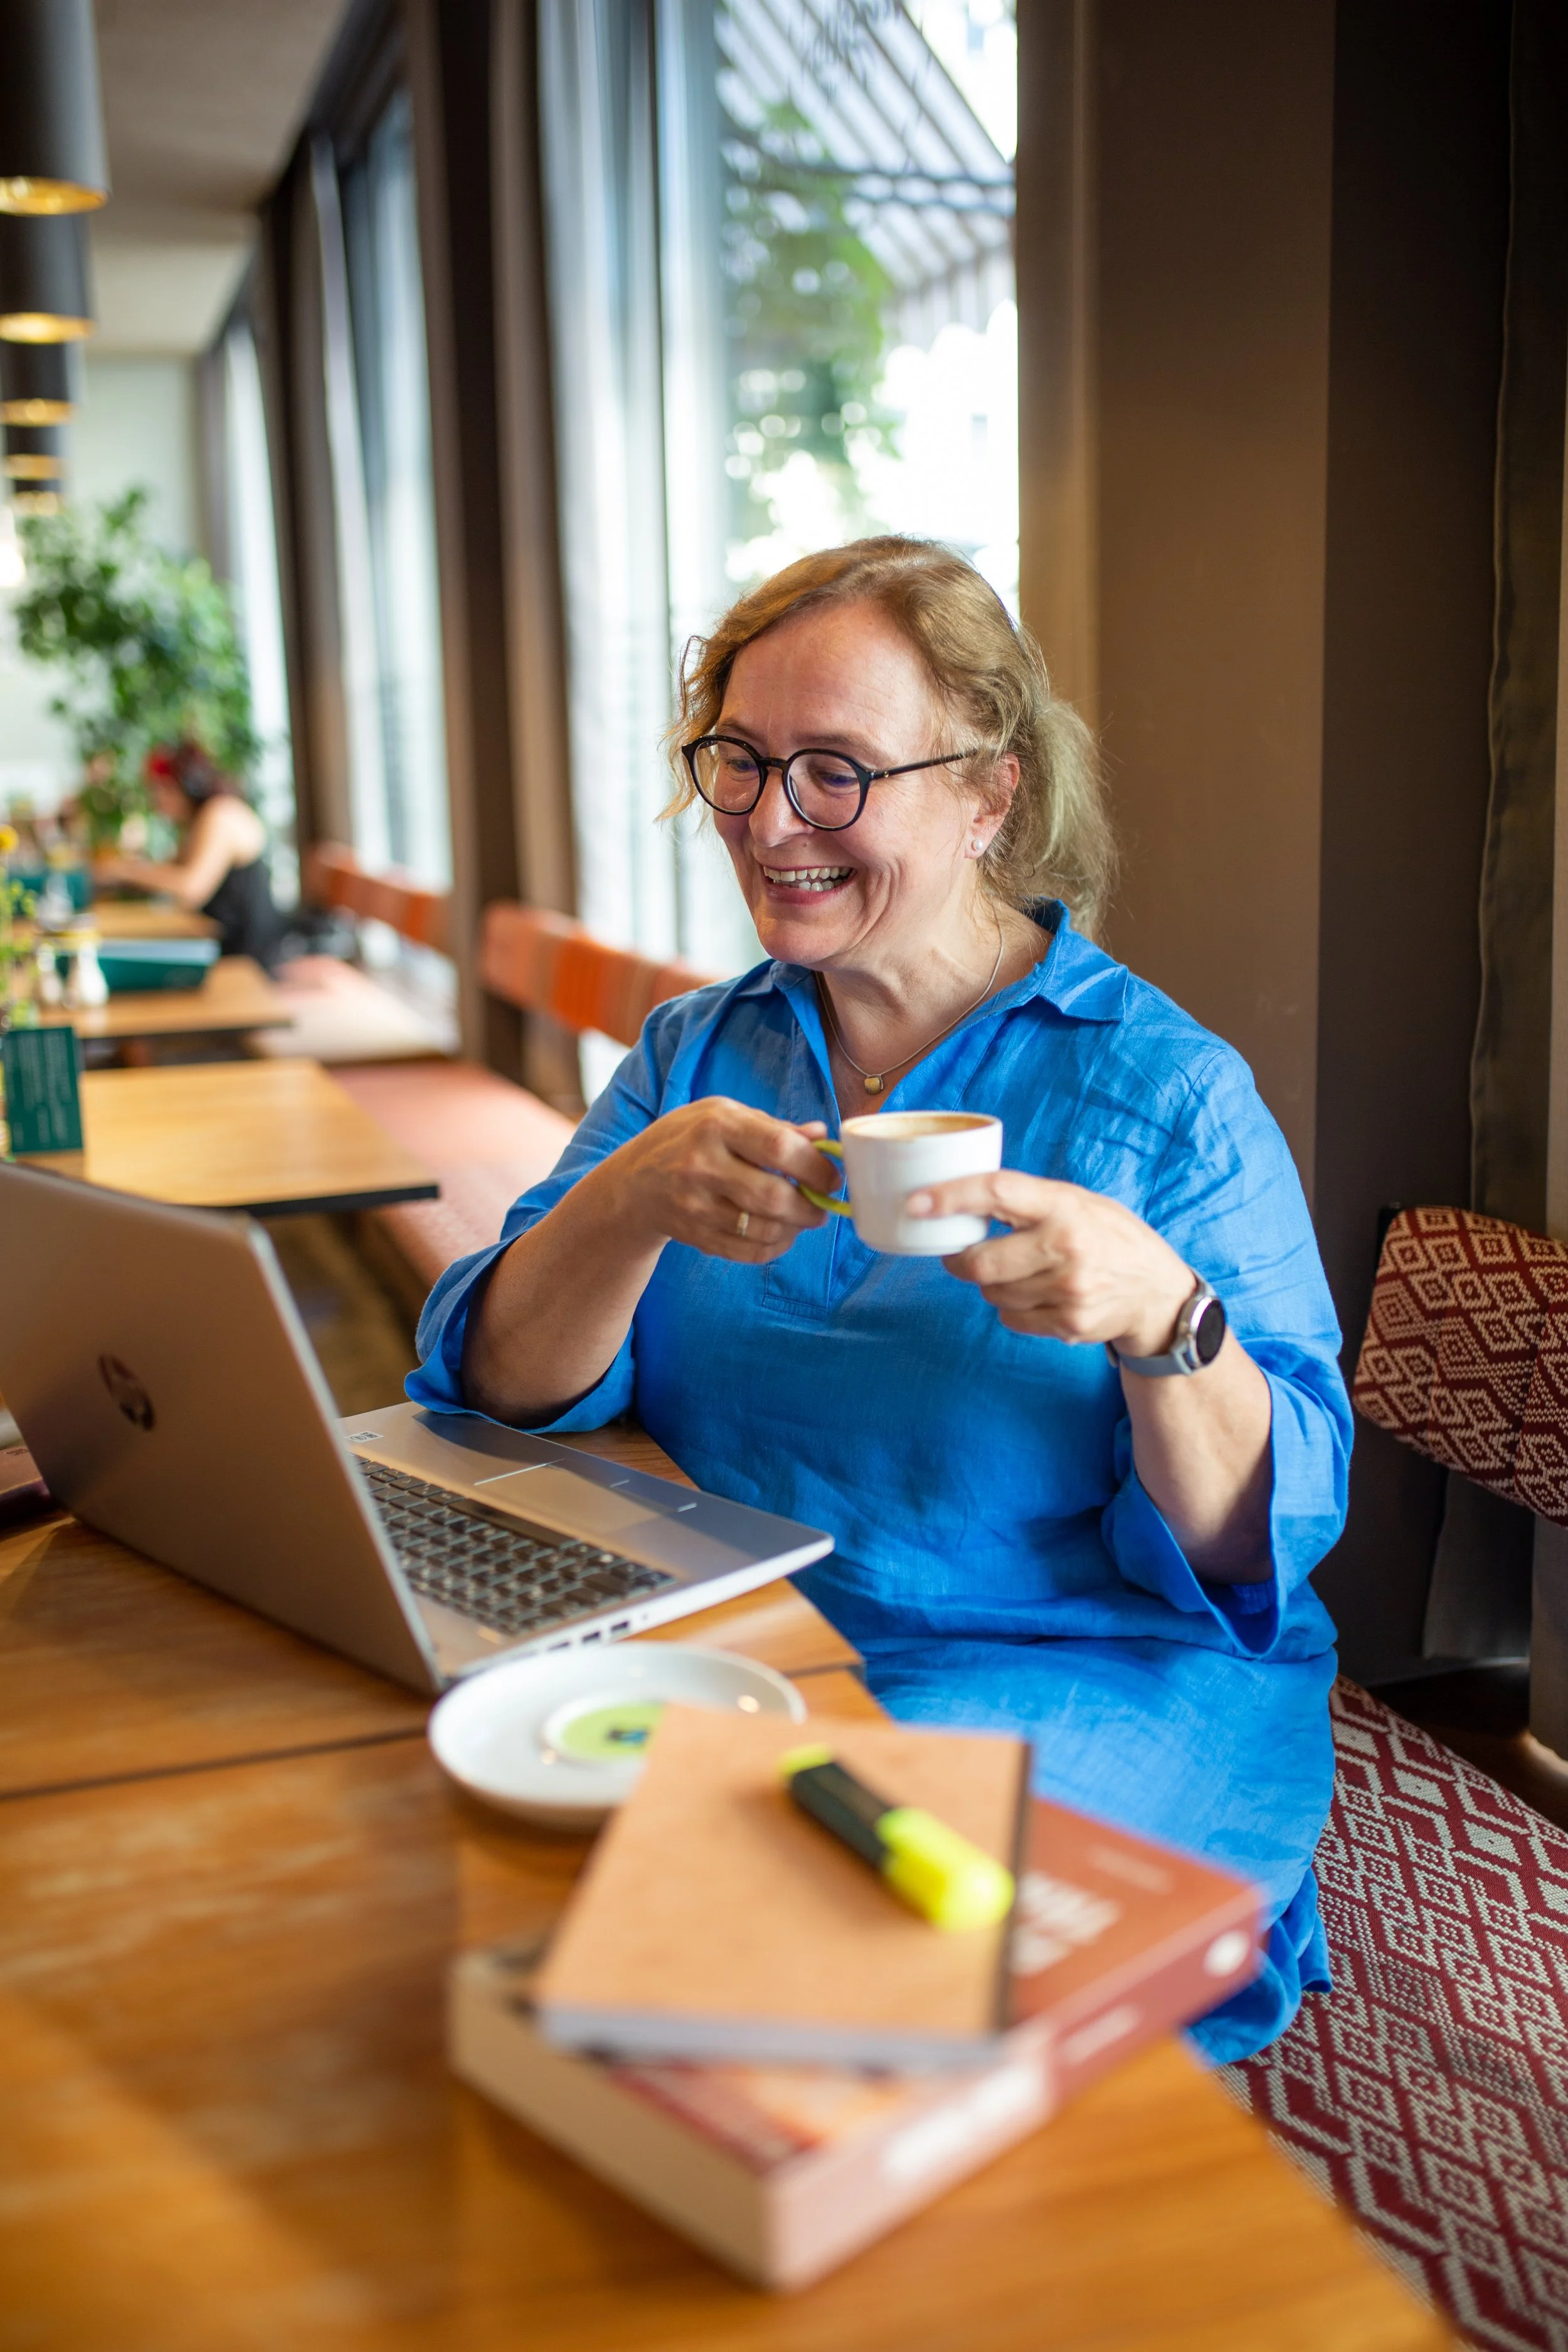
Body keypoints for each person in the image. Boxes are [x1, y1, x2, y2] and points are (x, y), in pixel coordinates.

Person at [409, 537, 1351, 2063]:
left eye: (837, 769)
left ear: (990, 793)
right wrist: (632, 1194)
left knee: (771, 1968)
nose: (773, 822)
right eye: (741, 760)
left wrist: (1167, 1319)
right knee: (470, 1888)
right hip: (748, 1652)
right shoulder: (692, 1055)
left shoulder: (1169, 1096)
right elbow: (494, 1385)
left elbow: (1260, 1544)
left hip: (1060, 1675)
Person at [93, 741, 285, 968]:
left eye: (160, 790)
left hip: (248, 958)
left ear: (186, 785)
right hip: (222, 946)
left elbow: (191, 888)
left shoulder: (220, 814)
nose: (156, 803)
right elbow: (170, 871)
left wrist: (123, 870)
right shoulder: (198, 821)